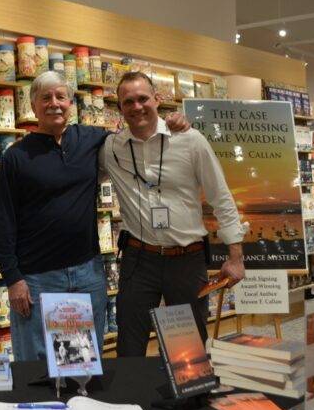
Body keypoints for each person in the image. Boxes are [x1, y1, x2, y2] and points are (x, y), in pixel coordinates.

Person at [0, 71, 187, 362]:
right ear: (33, 107)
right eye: (45, 98)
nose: (54, 104)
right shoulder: (16, 157)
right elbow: (3, 222)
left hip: (86, 272)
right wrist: (13, 279)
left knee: (80, 363)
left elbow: (137, 135)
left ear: (71, 103)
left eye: (61, 96)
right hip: (36, 279)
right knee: (36, 364)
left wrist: (171, 123)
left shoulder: (91, 140)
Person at [100, 71, 247, 357]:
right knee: (129, 344)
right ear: (120, 108)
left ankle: (189, 401)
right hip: (138, 259)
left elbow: (221, 198)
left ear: (158, 99)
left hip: (186, 260)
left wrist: (236, 258)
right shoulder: (111, 149)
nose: (137, 106)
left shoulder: (191, 141)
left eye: (143, 98)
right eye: (128, 101)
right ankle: (132, 400)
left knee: (187, 349)